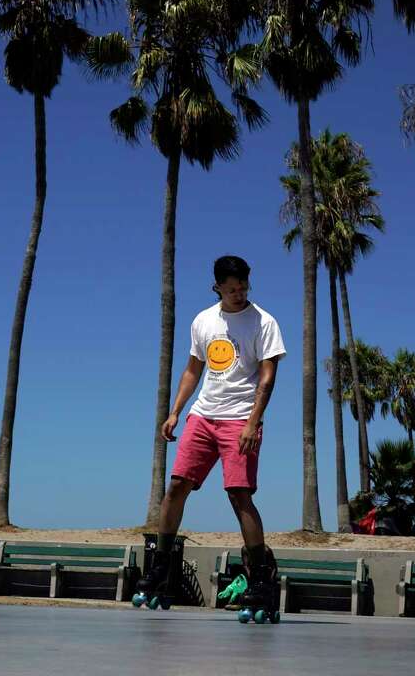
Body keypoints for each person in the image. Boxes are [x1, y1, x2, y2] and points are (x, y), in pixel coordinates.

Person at [134, 255, 285, 612]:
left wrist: (252, 422)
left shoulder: (264, 322)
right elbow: (192, 370)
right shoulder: (203, 320)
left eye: (243, 287)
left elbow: (268, 377)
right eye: (231, 289)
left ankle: (261, 578)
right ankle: (160, 567)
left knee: (238, 494)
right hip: (203, 415)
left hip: (239, 419)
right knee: (176, 486)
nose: (238, 294)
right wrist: (175, 412)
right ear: (216, 286)